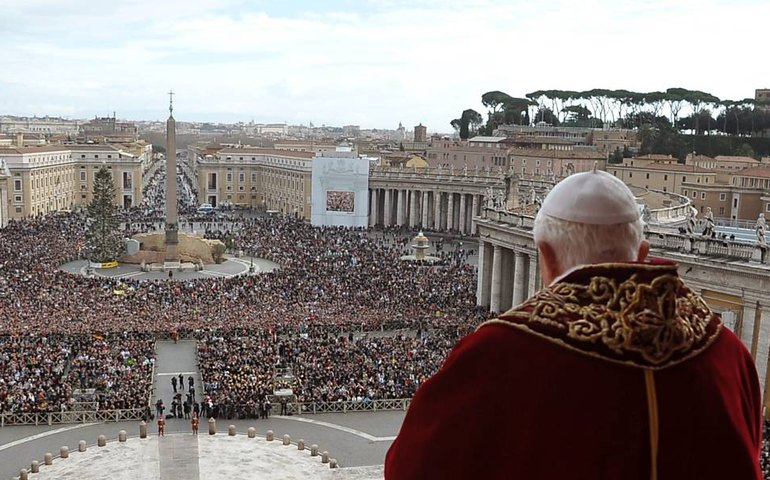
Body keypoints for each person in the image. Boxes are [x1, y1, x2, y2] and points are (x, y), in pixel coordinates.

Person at [385, 170, 762, 479]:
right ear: (643, 254)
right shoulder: (726, 351)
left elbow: (412, 468)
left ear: (544, 256)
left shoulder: (499, 354)